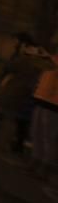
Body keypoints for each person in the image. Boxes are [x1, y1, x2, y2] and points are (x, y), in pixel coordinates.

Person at [29, 52, 58, 181]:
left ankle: (45, 166)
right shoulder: (50, 61)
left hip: (54, 104)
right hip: (41, 98)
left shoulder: (53, 62)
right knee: (36, 132)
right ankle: (36, 159)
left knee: (48, 136)